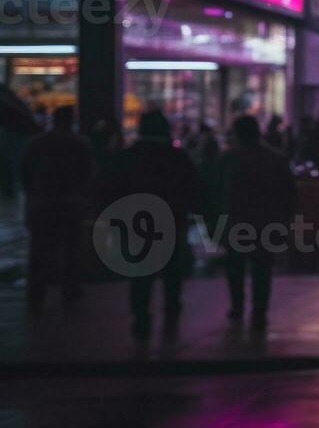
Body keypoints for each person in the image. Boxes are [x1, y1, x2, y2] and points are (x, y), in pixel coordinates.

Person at [98, 111, 201, 340]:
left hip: (136, 221)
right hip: (172, 220)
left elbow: (111, 188)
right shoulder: (178, 157)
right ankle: (171, 312)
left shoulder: (127, 157)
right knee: (172, 272)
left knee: (140, 274)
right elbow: (193, 188)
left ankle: (141, 318)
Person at [216, 115, 294, 330]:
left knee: (235, 267)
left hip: (237, 221)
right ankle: (259, 311)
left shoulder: (229, 159)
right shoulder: (276, 159)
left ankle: (237, 306)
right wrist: (286, 221)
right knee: (262, 269)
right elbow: (288, 194)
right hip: (266, 222)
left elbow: (216, 191)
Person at [18, 105, 94, 313]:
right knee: (71, 250)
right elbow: (88, 175)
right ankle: (70, 290)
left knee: (39, 252)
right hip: (70, 203)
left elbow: (25, 173)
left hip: (43, 203)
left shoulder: (36, 143)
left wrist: (34, 193)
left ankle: (36, 294)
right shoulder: (81, 144)